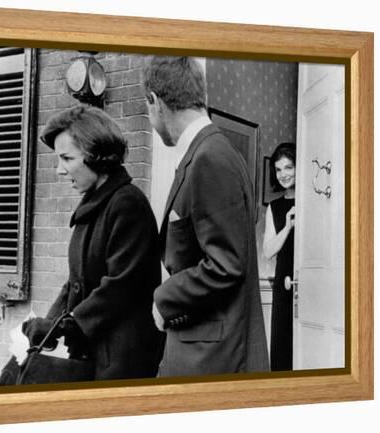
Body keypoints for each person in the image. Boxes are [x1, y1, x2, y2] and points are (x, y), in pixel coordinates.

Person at [143, 56, 269, 376]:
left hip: (211, 358)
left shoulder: (209, 157)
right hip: (204, 350)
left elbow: (226, 264)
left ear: (155, 102)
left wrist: (164, 299)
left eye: (148, 110)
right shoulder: (211, 152)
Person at [22, 105, 164, 381]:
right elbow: (75, 283)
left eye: (66, 158)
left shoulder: (127, 203)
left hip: (122, 358)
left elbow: (121, 285)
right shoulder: (93, 205)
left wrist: (68, 325)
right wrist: (50, 323)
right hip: (96, 352)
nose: (60, 171)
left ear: (96, 156)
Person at [262, 142, 296, 371]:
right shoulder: (273, 208)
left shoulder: (315, 201)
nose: (283, 174)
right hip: (283, 284)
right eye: (278, 169)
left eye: (289, 167)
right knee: (282, 350)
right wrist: (287, 227)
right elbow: (267, 251)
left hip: (306, 281)